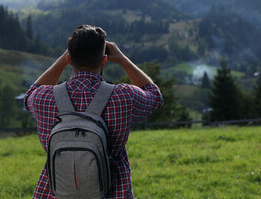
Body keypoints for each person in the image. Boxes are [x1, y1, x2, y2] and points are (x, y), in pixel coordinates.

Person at [24, 25, 164, 198]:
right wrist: (122, 59)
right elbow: (155, 95)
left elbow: (29, 95)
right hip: (112, 193)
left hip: (56, 192)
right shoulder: (124, 96)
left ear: (69, 59)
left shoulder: (43, 98)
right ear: (104, 60)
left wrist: (62, 60)